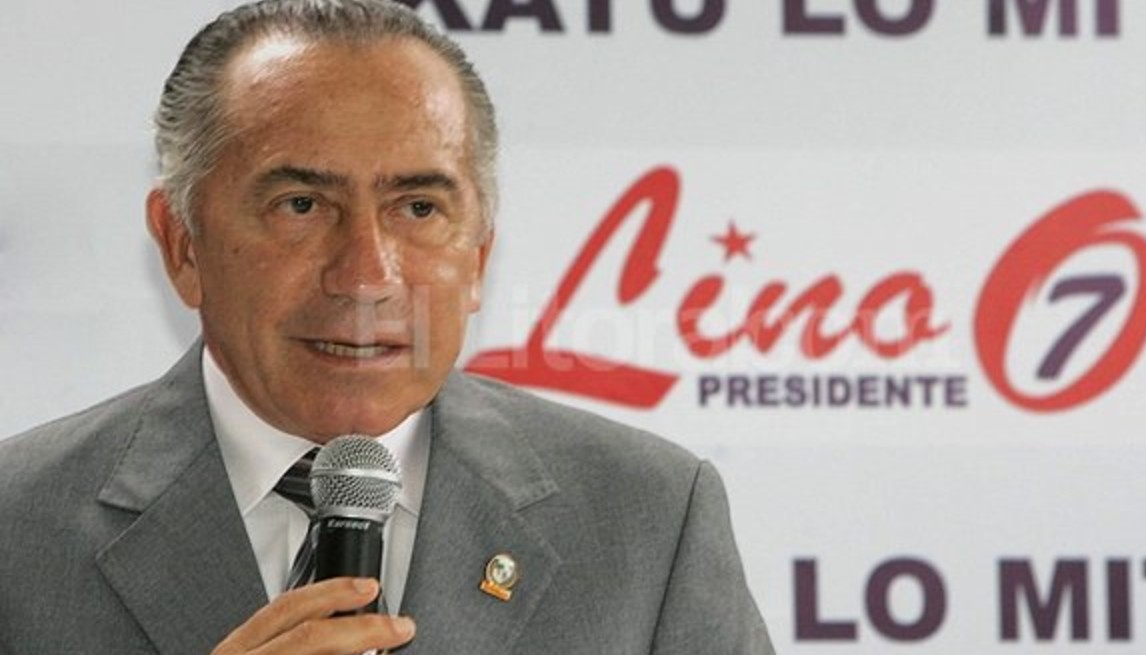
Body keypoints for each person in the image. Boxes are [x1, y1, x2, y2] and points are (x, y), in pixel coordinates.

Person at [0, 0, 775, 652]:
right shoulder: (15, 526)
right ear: (182, 245)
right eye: (302, 205)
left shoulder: (649, 519)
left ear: (479, 255)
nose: (367, 276)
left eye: (418, 208)